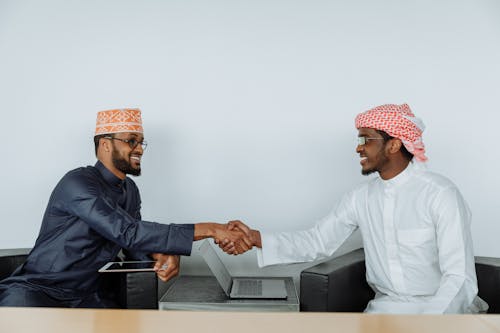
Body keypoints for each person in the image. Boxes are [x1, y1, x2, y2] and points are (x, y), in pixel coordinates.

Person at [224, 103, 488, 314]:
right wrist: (255, 238)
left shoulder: (441, 194)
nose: (358, 147)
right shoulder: (360, 197)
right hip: (384, 311)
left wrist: (430, 325)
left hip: (445, 313)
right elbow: (317, 240)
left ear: (394, 144)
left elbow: (459, 278)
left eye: (366, 140)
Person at [0, 108, 250, 308]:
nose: (139, 149)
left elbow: (134, 246)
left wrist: (162, 254)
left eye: (141, 142)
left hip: (89, 297)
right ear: (105, 144)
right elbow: (126, 231)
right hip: (39, 293)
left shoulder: (130, 190)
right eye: (131, 141)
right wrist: (212, 229)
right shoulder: (77, 183)